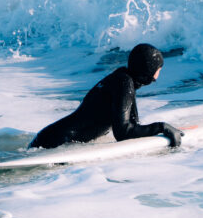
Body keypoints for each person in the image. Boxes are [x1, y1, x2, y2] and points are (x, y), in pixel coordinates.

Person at [29, 43, 184, 149]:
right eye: (159, 69)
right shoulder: (124, 83)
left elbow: (133, 124)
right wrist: (161, 127)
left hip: (52, 137)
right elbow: (123, 133)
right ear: (148, 69)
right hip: (54, 143)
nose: (159, 74)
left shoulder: (123, 79)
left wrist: (157, 130)